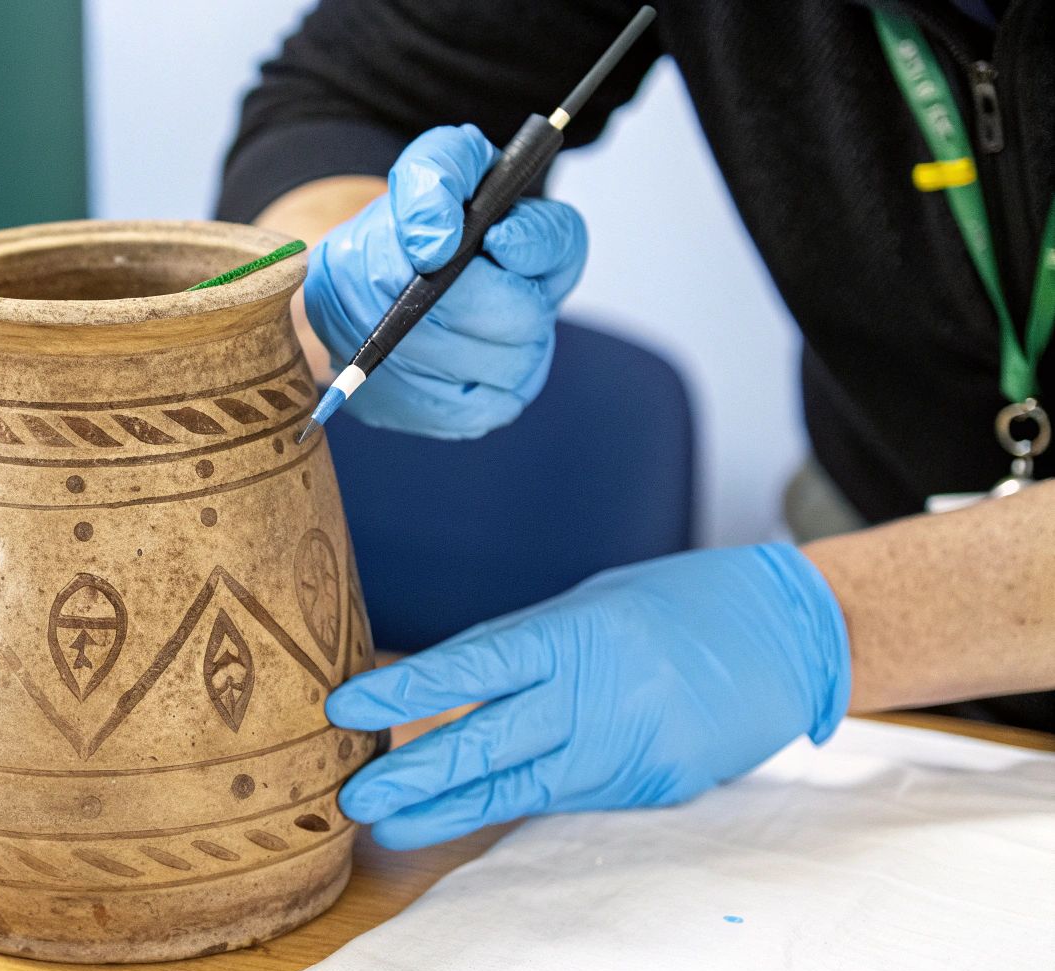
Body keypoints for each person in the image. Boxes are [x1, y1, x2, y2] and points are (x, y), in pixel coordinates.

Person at [216, 0, 1054, 850]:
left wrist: (825, 627)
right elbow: (347, 97)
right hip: (888, 594)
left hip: (855, 619)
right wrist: (343, 260)